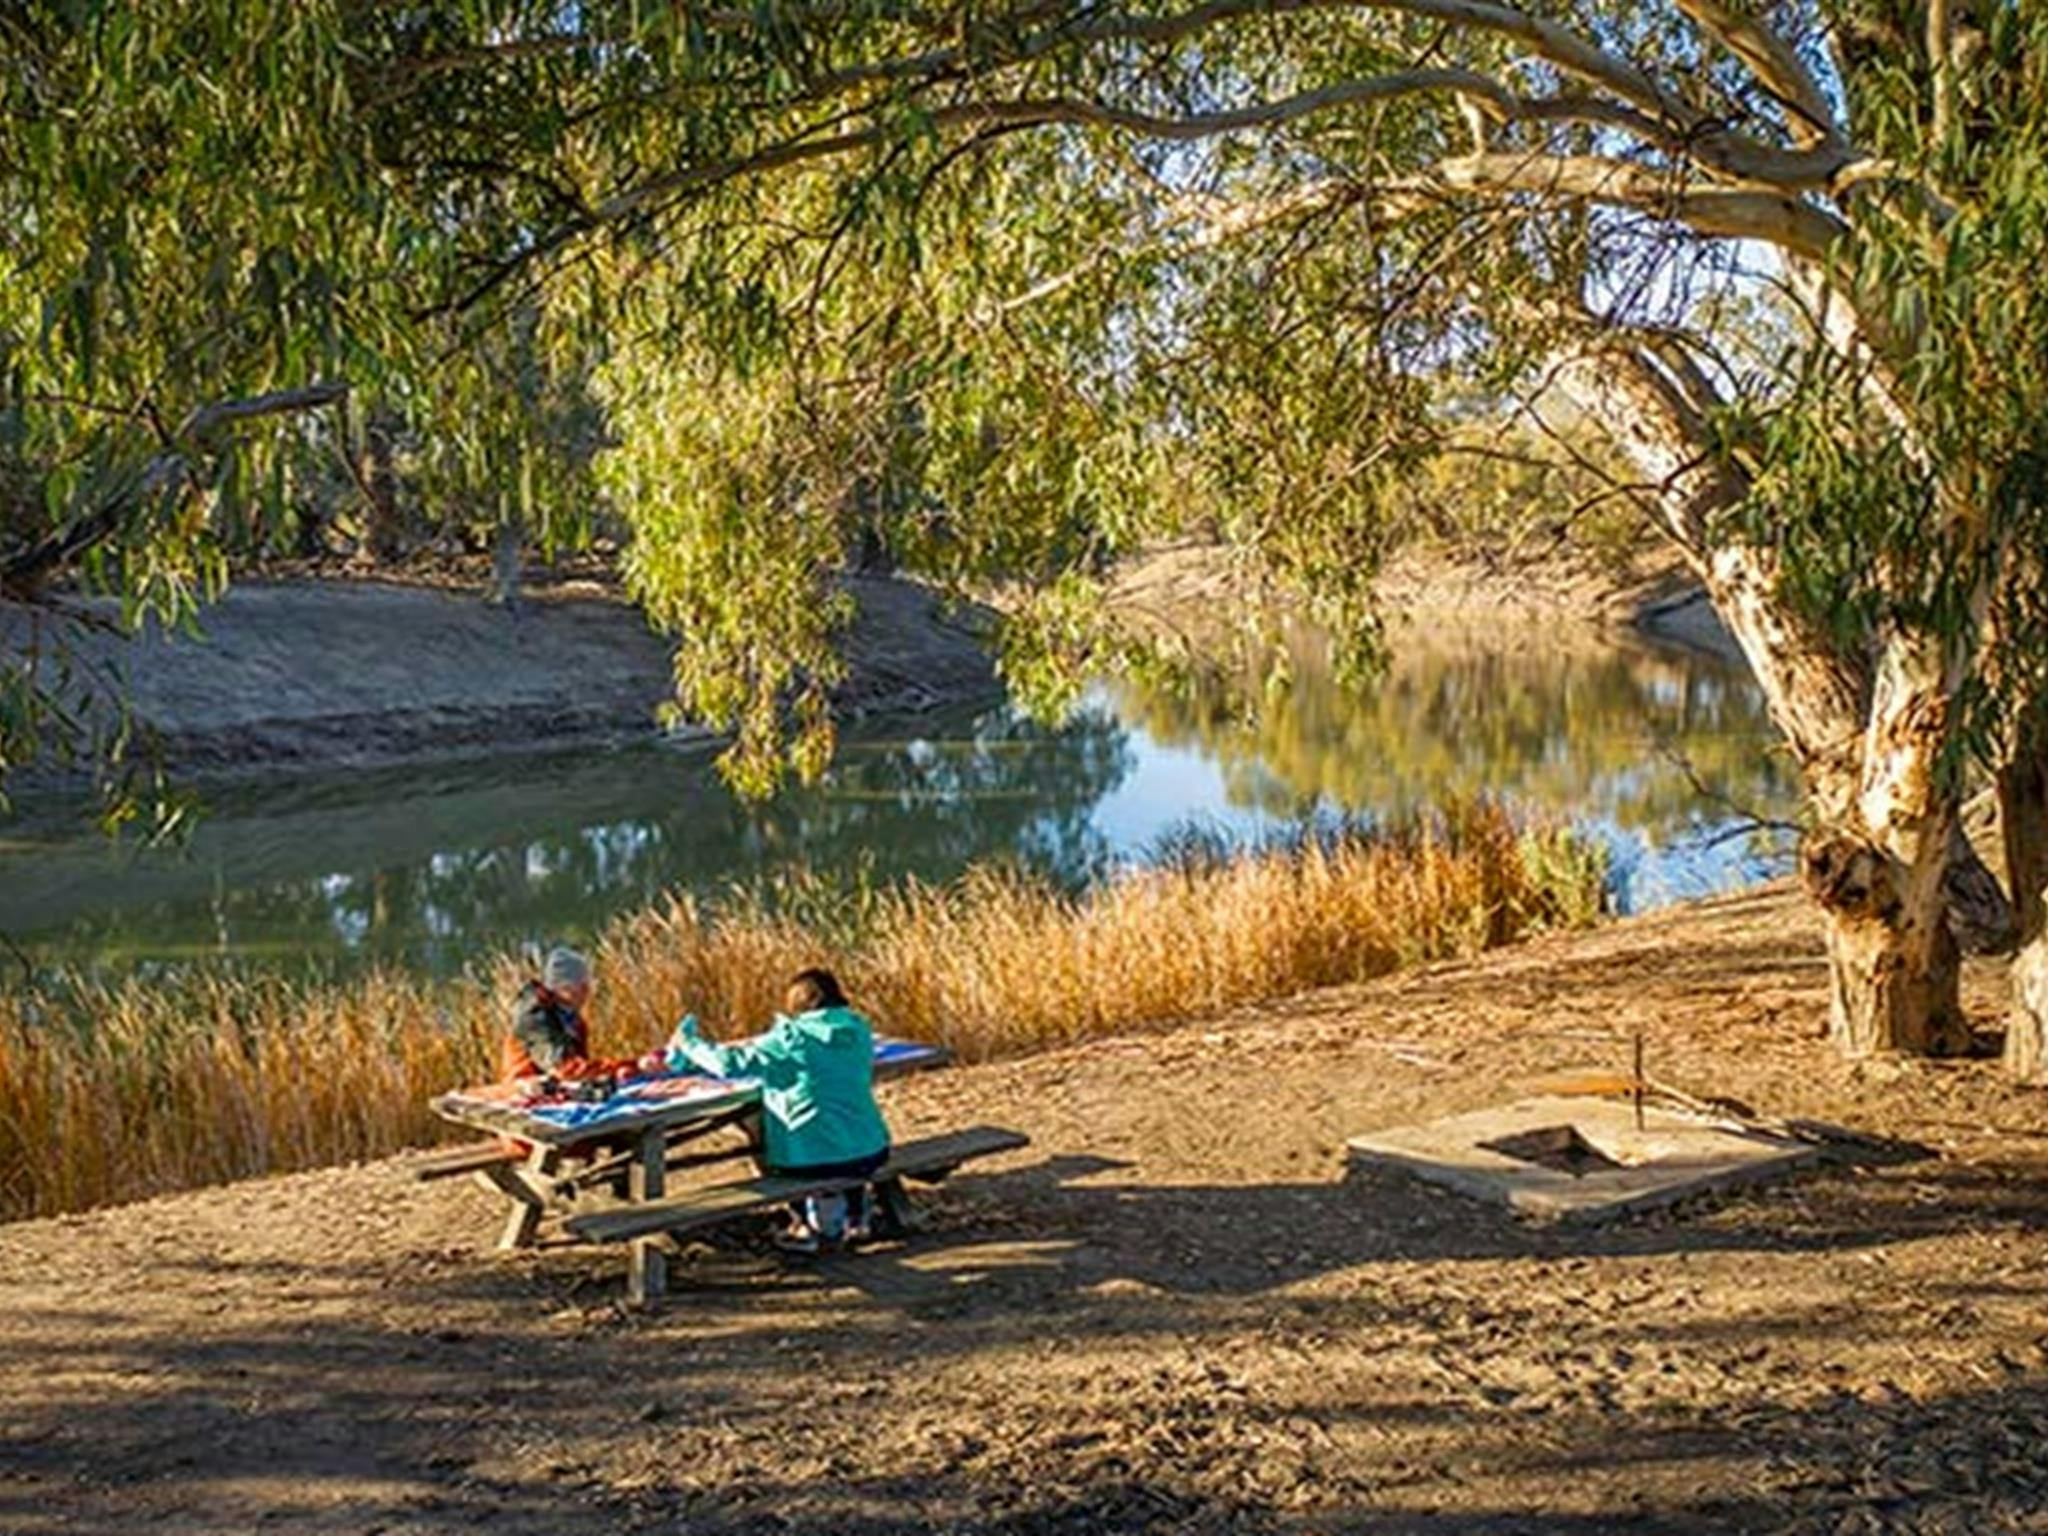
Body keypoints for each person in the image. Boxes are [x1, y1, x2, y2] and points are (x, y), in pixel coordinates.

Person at [657, 967, 891, 1251]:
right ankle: (855, 1217)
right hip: (872, 1151)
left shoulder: (792, 1038)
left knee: (784, 1143)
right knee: (840, 1126)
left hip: (810, 1161)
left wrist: (689, 1043)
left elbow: (727, 1064)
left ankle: (803, 1226)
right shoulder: (858, 1028)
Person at [502, 945, 612, 1087]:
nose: (587, 992)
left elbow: (580, 1068)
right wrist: (629, 1067)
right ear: (562, 987)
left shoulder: (574, 1020)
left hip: (559, 1091)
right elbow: (563, 1067)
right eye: (581, 986)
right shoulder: (534, 1016)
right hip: (523, 1093)